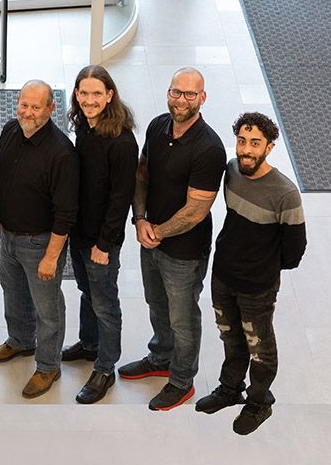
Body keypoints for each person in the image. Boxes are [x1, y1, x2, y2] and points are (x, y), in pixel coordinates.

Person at [120, 67, 227, 411]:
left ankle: (181, 380)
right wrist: (139, 220)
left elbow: (196, 210)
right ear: (168, 93)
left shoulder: (209, 148)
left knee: (183, 317)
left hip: (184, 250)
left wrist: (157, 231)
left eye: (190, 94)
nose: (181, 100)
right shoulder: (156, 126)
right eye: (176, 92)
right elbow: (141, 174)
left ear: (203, 98)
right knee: (156, 302)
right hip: (149, 236)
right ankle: (160, 357)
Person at [196, 112, 306, 435]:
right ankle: (230, 389)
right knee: (230, 336)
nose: (246, 149)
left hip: (257, 286)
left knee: (259, 345)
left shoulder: (285, 194)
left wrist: (263, 267)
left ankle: (259, 401)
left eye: (254, 143)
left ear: (269, 147)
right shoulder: (232, 171)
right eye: (242, 141)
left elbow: (295, 251)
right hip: (223, 275)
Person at [0, 80, 79, 399]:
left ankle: (48, 365)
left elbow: (65, 213)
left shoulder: (61, 153)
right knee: (12, 291)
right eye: (24, 104)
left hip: (41, 243)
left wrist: (52, 257)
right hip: (9, 234)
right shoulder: (11, 130)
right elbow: (4, 177)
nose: (28, 112)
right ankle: (21, 340)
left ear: (51, 109)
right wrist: (0, 217)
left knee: (47, 307)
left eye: (36, 107)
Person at [62, 65, 138, 404]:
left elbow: (120, 199)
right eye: (84, 93)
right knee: (86, 291)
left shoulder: (121, 142)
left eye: (97, 94)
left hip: (100, 241)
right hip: (80, 233)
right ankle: (89, 343)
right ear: (77, 95)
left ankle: (105, 367)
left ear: (109, 96)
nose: (89, 100)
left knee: (105, 302)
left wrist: (104, 245)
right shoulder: (85, 126)